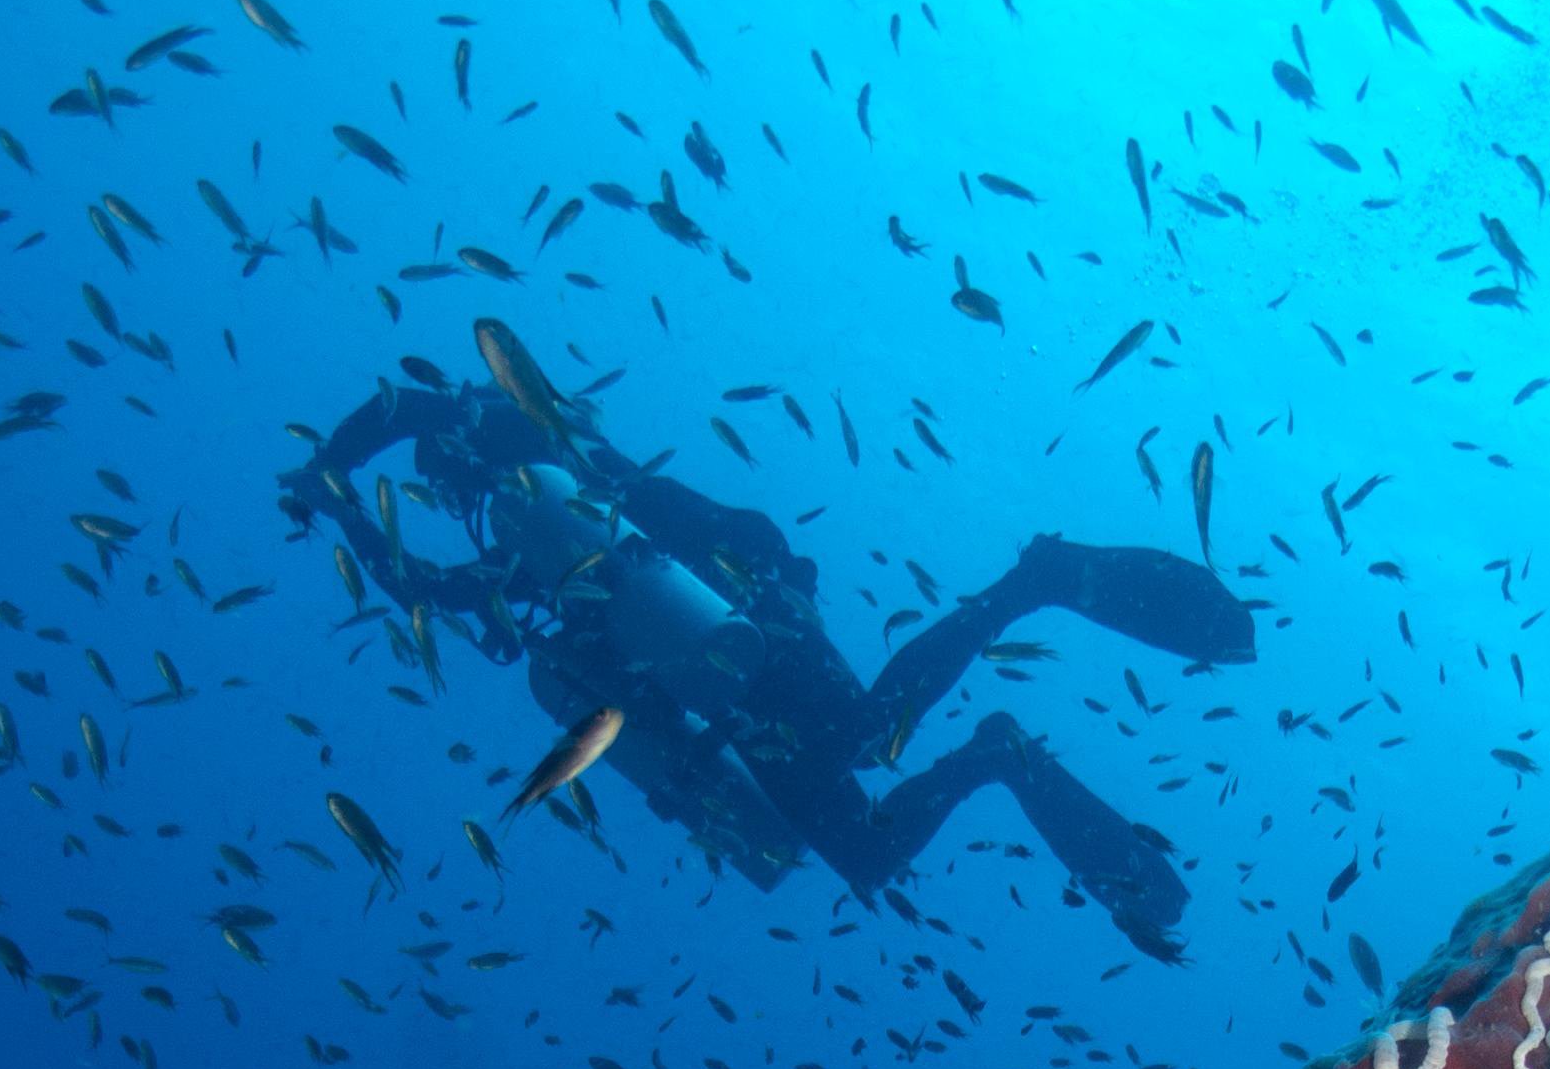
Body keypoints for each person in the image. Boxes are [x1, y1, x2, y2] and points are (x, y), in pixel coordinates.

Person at [275, 331, 1256, 958]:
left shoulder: (537, 458)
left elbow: (407, 410)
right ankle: (998, 755)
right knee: (868, 859)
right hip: (716, 708)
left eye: (451, 481)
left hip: (752, 636)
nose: (454, 496)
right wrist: (348, 516)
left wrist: (331, 467)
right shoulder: (528, 548)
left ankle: (1029, 582)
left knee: (868, 739)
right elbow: (425, 588)